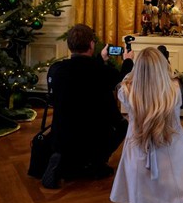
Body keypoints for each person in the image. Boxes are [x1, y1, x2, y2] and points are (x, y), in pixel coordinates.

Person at [42, 24, 134, 189]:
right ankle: (96, 162)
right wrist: (128, 60)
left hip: (62, 135)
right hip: (93, 135)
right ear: (91, 44)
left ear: (69, 45)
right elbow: (122, 79)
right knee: (123, 126)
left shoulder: (57, 70)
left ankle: (63, 160)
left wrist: (100, 58)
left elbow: (81, 72)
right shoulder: (101, 71)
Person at [110, 47, 183, 203]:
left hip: (138, 153)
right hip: (173, 153)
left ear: (137, 69)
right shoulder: (176, 89)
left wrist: (128, 62)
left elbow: (125, 79)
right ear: (163, 66)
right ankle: (177, 197)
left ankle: (140, 198)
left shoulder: (125, 91)